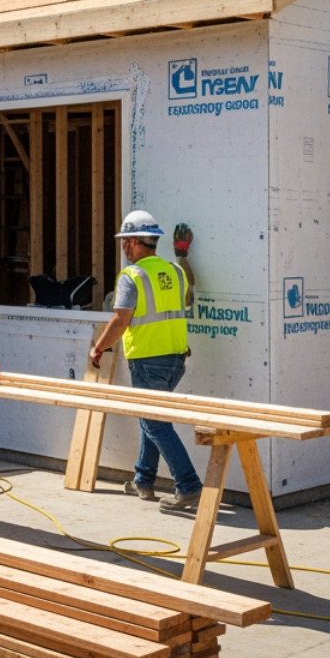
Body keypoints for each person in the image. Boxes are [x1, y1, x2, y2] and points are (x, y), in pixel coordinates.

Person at [89, 211, 204, 511]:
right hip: (176, 360)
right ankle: (143, 480)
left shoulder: (132, 276)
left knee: (154, 422)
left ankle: (189, 486)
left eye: (125, 242)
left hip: (148, 360)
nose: (124, 249)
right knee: (150, 419)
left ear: (134, 243)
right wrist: (183, 255)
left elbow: (120, 320)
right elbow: (189, 292)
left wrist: (98, 348)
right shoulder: (175, 271)